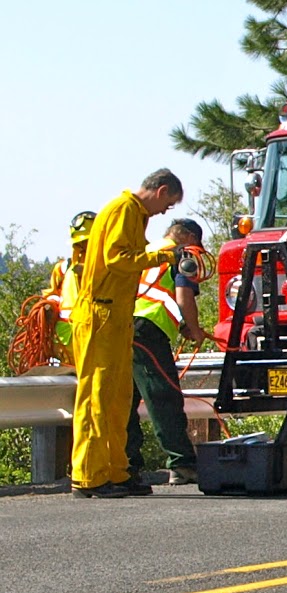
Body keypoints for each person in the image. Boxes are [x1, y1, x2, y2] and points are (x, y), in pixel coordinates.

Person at [70, 169, 183, 499]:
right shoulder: (123, 209)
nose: (166, 211)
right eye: (168, 203)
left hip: (118, 315)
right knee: (97, 397)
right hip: (99, 314)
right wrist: (162, 255)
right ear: (161, 190)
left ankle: (117, 472)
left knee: (119, 399)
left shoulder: (133, 214)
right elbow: (116, 258)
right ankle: (88, 476)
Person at [125, 219, 208, 487]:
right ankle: (182, 463)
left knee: (125, 403)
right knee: (164, 397)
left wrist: (182, 325)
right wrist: (194, 330)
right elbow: (183, 297)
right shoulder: (182, 256)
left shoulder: (148, 252)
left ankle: (126, 465)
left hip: (122, 328)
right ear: (188, 237)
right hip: (147, 332)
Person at [42, 211, 96, 363]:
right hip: (65, 341)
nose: (84, 247)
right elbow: (53, 294)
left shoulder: (108, 269)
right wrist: (49, 305)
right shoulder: (63, 268)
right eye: (81, 243)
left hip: (94, 338)